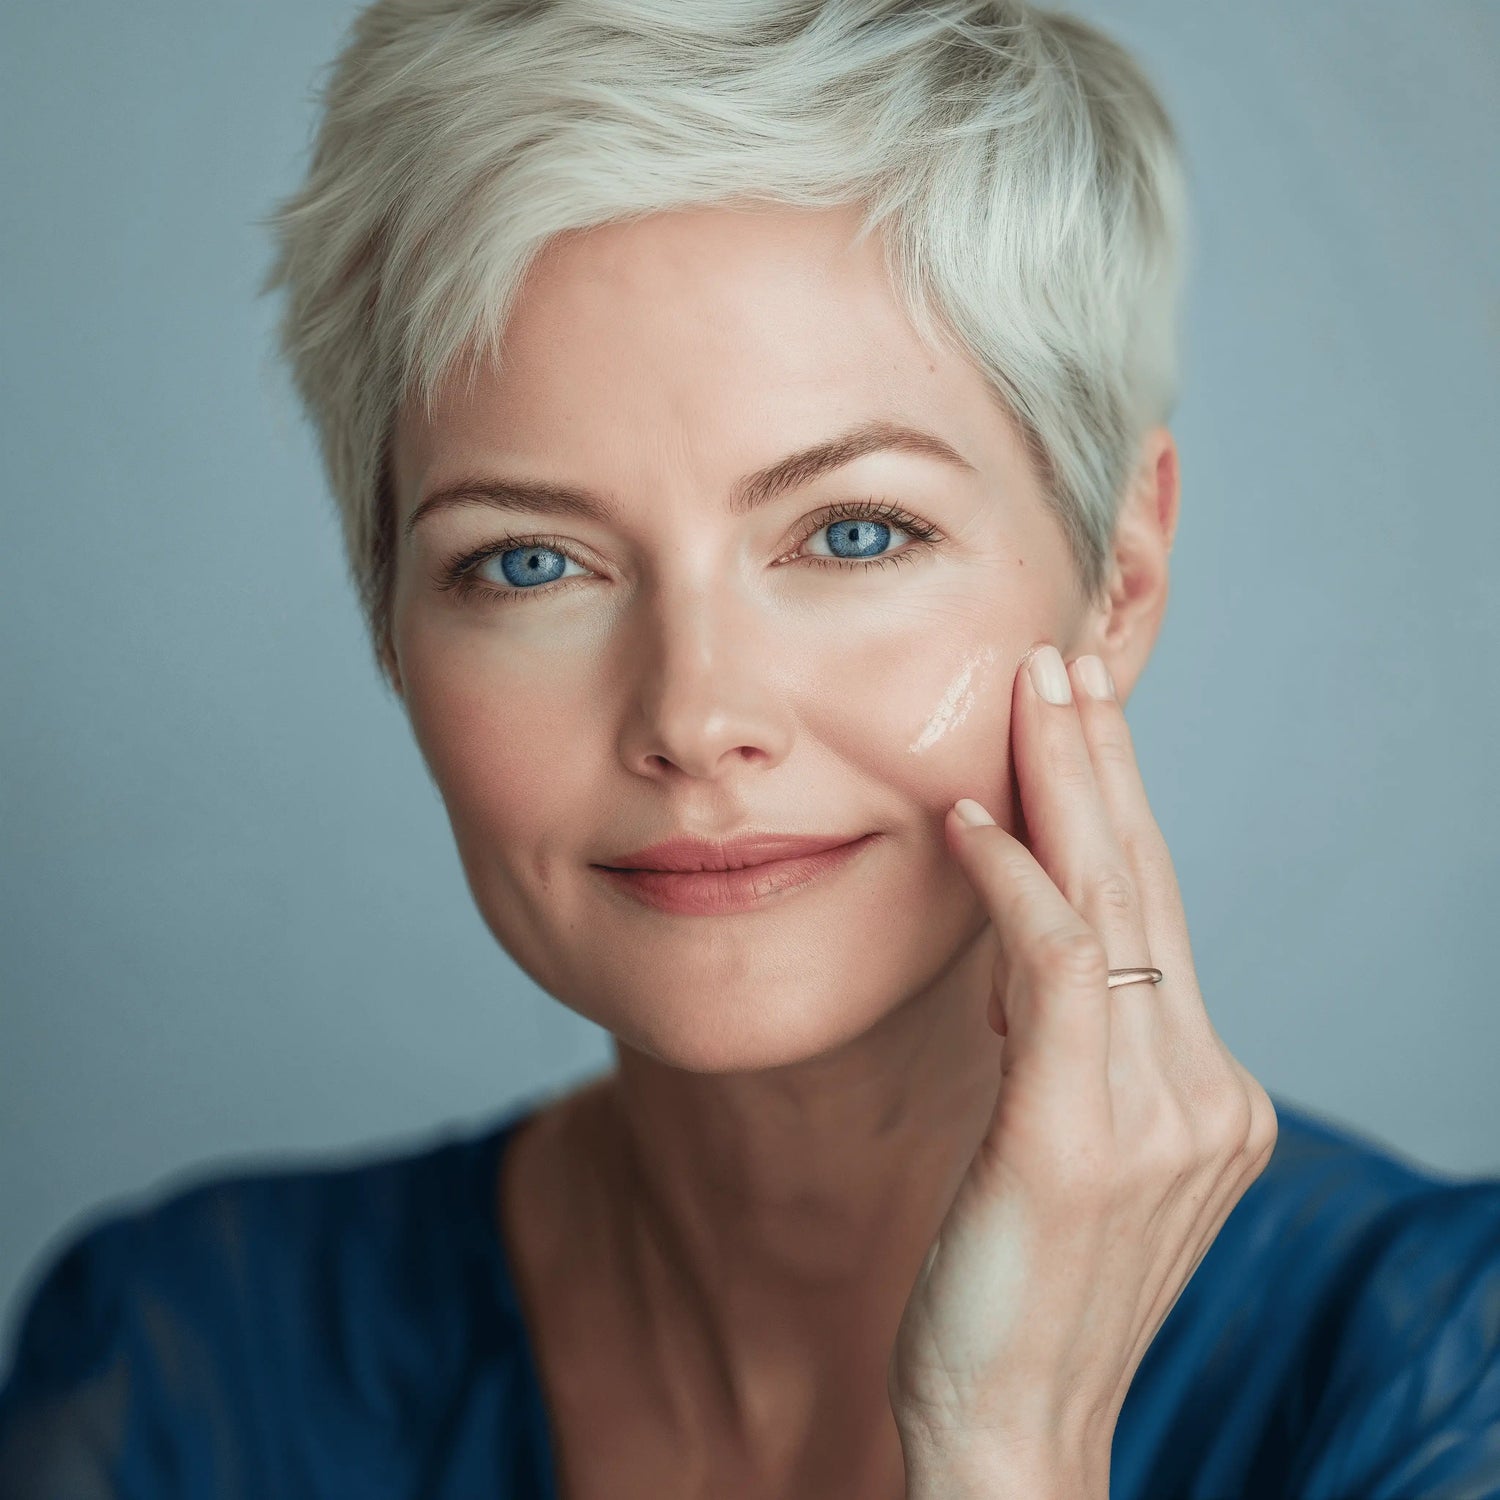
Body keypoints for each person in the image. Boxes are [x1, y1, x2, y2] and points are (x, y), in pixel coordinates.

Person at [3, 1, 1498, 1496]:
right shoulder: (183, 1362)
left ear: (1120, 581)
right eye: (529, 563)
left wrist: (1008, 1447)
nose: (695, 716)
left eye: (854, 535)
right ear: (389, 620)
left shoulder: (1440, 1376)